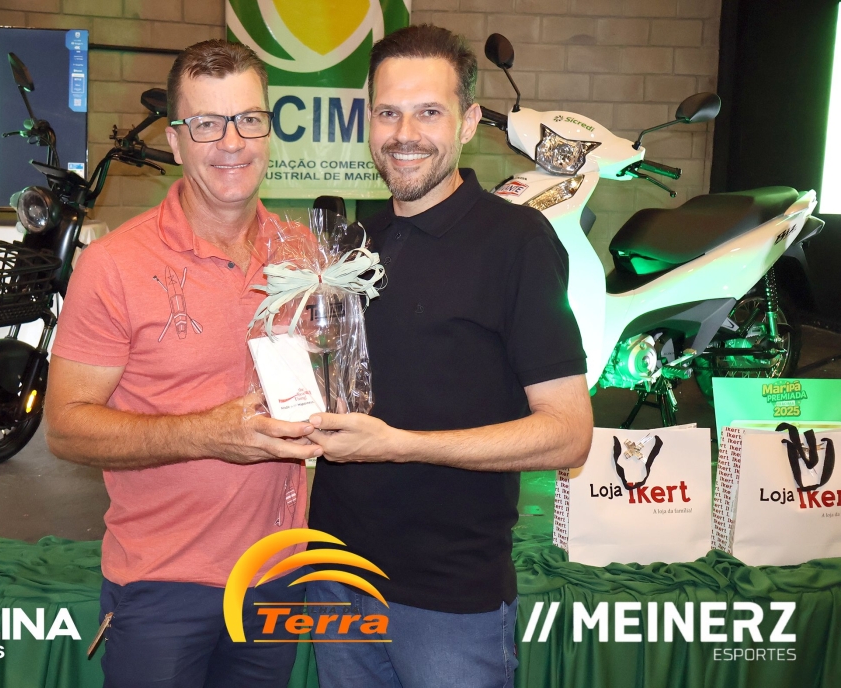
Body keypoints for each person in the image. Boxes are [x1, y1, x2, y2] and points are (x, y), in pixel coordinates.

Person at [306, 25, 594, 688]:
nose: (405, 133)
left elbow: (568, 432)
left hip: (447, 599)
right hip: (335, 575)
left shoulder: (516, 242)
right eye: (388, 113)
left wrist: (400, 445)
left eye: (428, 112)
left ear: (467, 123)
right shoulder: (356, 241)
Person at [44, 39, 322, 688]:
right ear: (174, 141)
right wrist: (208, 433)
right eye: (207, 124)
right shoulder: (114, 265)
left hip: (276, 576)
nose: (232, 142)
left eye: (249, 119)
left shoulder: (302, 252)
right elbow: (66, 427)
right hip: (163, 585)